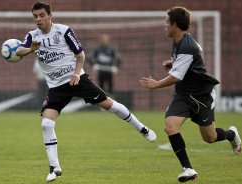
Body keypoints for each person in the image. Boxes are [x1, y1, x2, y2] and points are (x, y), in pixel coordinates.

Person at [16, 2, 156, 182]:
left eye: (42, 15)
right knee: (46, 124)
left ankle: (142, 128)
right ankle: (54, 167)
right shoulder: (32, 36)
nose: (38, 19)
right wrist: (31, 50)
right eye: (35, 16)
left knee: (109, 105)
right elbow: (19, 51)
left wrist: (76, 73)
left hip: (77, 79)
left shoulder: (63, 31)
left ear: (50, 15)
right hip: (57, 87)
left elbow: (80, 55)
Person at [139, 6, 242, 183]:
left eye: (166, 22)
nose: (164, 25)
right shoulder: (179, 40)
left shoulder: (187, 45)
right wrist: (174, 63)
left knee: (210, 138)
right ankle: (188, 169)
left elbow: (176, 77)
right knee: (170, 126)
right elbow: (188, 64)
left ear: (175, 25)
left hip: (202, 95)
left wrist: (157, 84)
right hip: (184, 95)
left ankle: (231, 135)